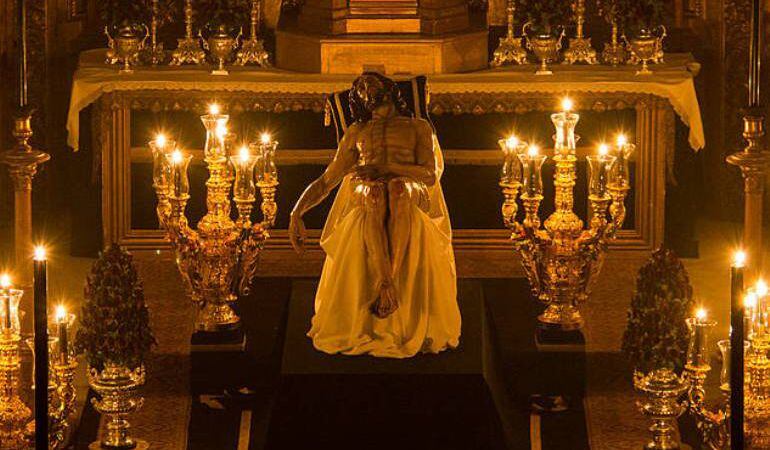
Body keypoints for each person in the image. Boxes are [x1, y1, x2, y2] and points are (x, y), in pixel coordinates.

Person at [288, 72, 460, 358]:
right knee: (376, 194)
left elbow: (429, 175)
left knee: (396, 191)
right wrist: (296, 212)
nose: (366, 90)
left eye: (371, 84)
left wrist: (388, 169)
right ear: (358, 101)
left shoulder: (417, 128)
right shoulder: (357, 132)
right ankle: (387, 284)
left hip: (409, 186)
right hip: (368, 190)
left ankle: (386, 282)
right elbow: (327, 180)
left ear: (389, 88)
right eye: (360, 89)